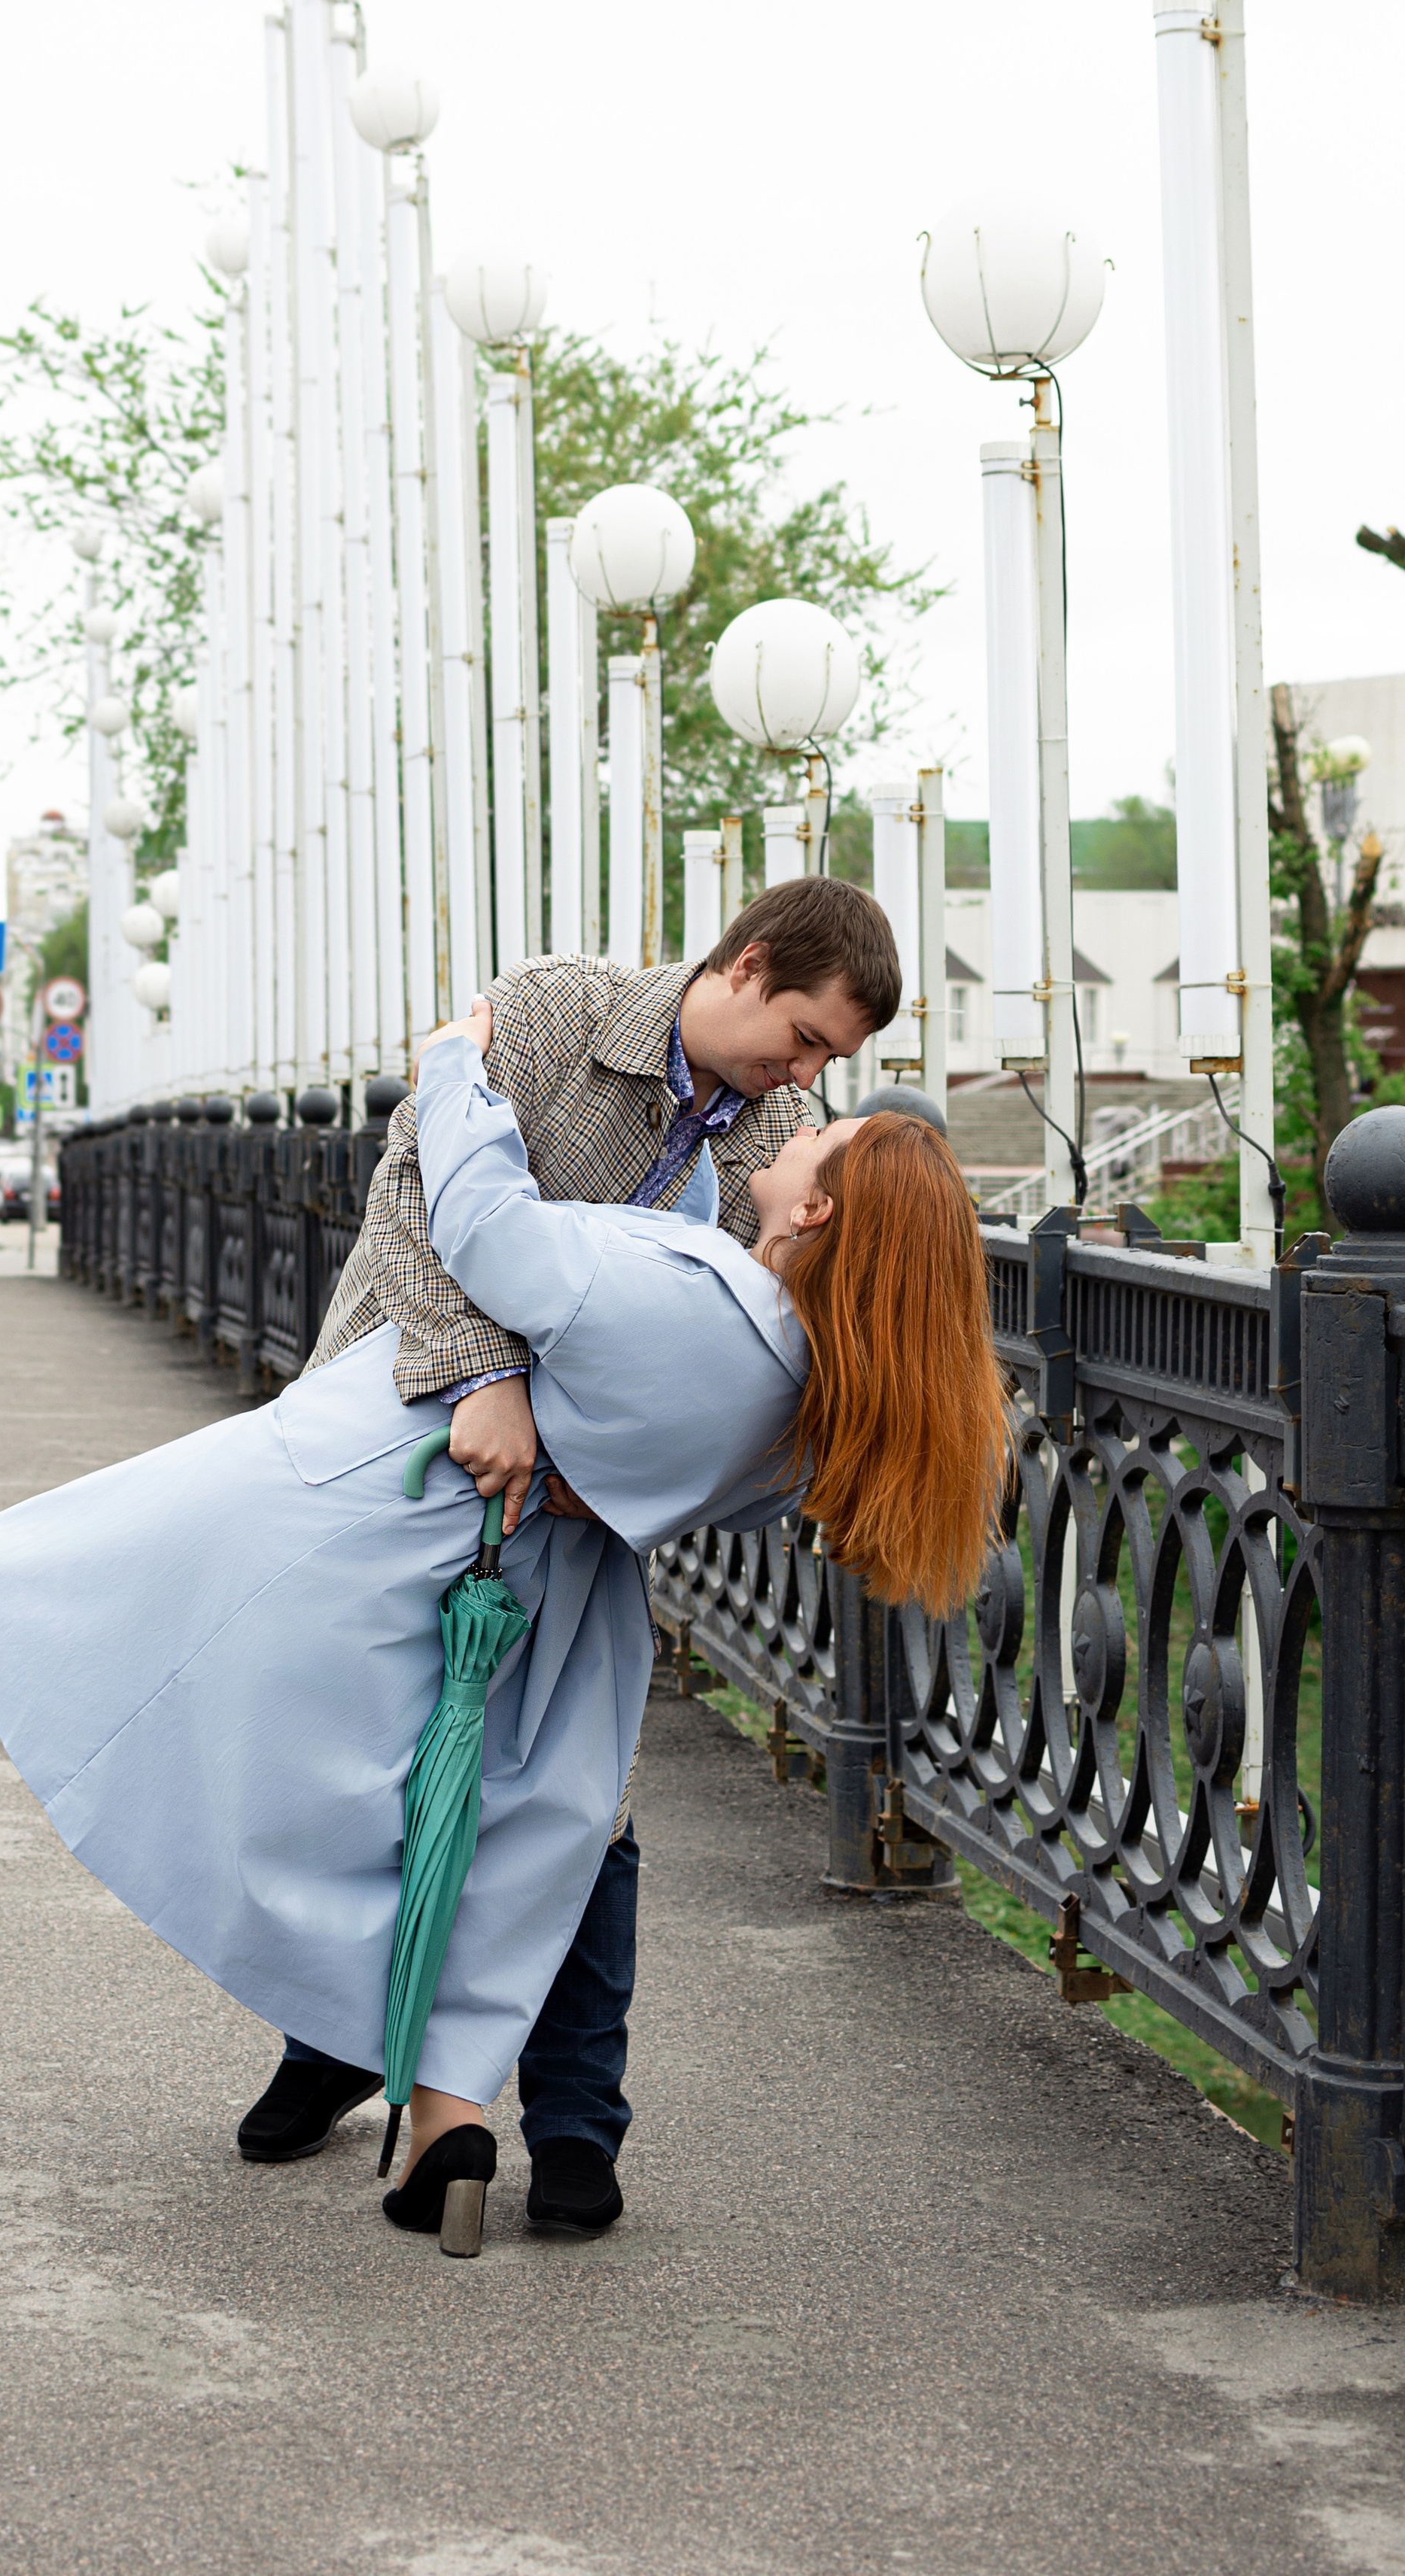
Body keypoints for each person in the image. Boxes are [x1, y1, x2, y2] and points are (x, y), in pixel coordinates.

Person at [0, 1007, 1005, 2261]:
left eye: (818, 1146)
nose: (795, 1133)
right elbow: (639, 1469)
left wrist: (453, 1068)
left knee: (71, 1573)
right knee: (517, 1846)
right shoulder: (815, 1399)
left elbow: (487, 1228)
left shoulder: (689, 1293)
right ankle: (451, 2126)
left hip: (367, 1506)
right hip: (553, 1606)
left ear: (818, 1211)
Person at [266, 872, 903, 2234]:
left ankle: (574, 2132)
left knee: (573, 1806)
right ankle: (332, 2041)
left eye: (832, 1059)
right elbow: (421, 1197)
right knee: (380, 1753)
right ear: (741, 966)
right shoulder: (564, 1009)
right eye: (802, 1035)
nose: (808, 1073)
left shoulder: (781, 1130)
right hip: (413, 1439)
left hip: (574, 1510)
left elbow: (713, 1337)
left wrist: (612, 1467)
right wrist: (484, 1379)